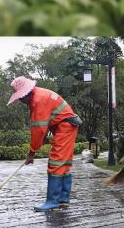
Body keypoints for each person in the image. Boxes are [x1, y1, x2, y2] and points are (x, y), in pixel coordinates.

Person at [8, 76, 82, 211]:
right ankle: (63, 200)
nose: (20, 100)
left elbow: (39, 130)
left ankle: (53, 202)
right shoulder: (38, 95)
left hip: (65, 126)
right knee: (63, 162)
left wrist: (31, 153)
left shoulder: (38, 100)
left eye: (20, 97)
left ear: (26, 94)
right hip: (66, 126)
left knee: (56, 162)